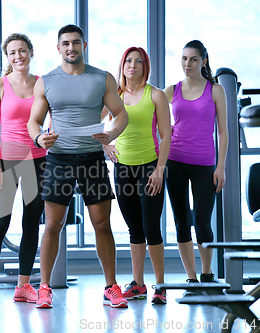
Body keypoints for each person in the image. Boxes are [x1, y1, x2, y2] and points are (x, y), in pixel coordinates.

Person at [27, 24, 129, 309]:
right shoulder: (46, 81)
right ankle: (44, 287)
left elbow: (121, 114)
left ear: (85, 45)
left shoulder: (102, 78)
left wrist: (111, 134)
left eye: (76, 42)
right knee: (53, 225)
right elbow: (33, 120)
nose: (71, 47)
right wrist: (39, 137)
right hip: (59, 158)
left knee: (101, 224)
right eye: (65, 43)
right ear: (58, 48)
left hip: (92, 158)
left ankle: (111, 287)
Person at [0, 33, 47, 306]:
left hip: (39, 160)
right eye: (12, 52)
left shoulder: (43, 84)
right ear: (7, 57)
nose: (18, 56)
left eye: (22, 50)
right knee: (0, 223)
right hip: (6, 161)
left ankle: (23, 286)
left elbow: (50, 121)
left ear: (31, 52)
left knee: (31, 224)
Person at [102, 47, 171, 304]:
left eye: (138, 61)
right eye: (128, 61)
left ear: (145, 66)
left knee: (151, 226)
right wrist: (105, 145)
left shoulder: (156, 95)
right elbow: (95, 123)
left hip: (149, 168)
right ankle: (139, 284)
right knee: (134, 228)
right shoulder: (115, 95)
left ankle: (160, 286)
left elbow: (166, 135)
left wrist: (160, 170)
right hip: (122, 168)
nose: (132, 65)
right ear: (123, 66)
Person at [163, 40, 228, 290]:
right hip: (175, 162)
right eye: (183, 58)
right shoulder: (172, 90)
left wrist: (220, 167)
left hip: (204, 165)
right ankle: (190, 277)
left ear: (204, 61)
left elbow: (223, 132)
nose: (187, 64)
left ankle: (207, 273)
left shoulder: (215, 90)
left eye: (192, 59)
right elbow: (149, 110)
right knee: (181, 221)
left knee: (202, 221)